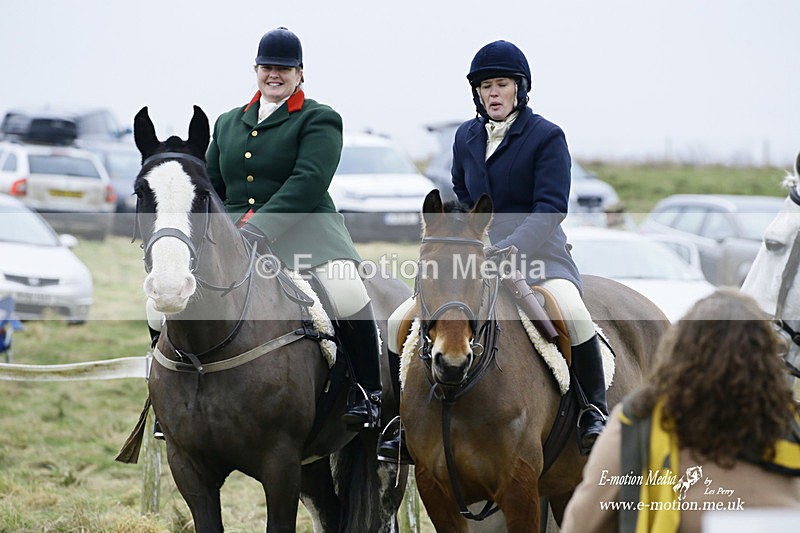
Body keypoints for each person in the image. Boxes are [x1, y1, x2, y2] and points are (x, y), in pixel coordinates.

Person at [378, 40, 608, 462]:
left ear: (520, 88)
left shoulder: (546, 137)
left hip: (541, 257)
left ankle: (594, 410)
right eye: (485, 87)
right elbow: (463, 193)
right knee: (399, 320)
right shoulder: (466, 136)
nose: (493, 93)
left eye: (501, 84)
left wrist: (512, 246)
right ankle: (395, 423)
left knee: (572, 310)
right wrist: (468, 240)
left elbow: (551, 206)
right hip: (474, 259)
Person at [152, 27, 382, 433]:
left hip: (308, 231)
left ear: (300, 74)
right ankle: (165, 395)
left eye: (284, 69)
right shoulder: (227, 123)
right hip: (232, 237)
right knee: (159, 302)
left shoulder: (320, 119)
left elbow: (308, 181)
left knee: (349, 291)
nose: (274, 75)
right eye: (267, 67)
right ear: (256, 70)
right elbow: (213, 186)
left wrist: (258, 228)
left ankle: (368, 394)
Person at [561, 289, 800, 532]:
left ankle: (591, 411)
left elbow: (581, 525)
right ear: (768, 359)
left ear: (680, 352)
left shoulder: (636, 423)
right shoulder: (794, 426)